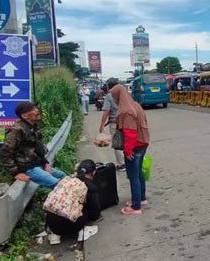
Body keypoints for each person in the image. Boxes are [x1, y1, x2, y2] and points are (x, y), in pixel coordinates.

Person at [0, 102, 66, 189]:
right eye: (33, 109)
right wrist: (16, 173)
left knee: (63, 177)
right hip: (28, 168)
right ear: (24, 116)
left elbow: (37, 148)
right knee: (59, 186)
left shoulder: (33, 127)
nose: (37, 110)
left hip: (37, 164)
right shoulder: (17, 130)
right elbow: (5, 150)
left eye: (36, 108)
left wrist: (45, 163)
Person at [110, 84, 150, 215]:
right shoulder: (135, 104)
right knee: (138, 172)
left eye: (114, 96)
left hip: (135, 146)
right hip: (143, 142)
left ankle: (136, 207)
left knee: (133, 176)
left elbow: (130, 133)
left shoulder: (126, 111)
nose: (114, 99)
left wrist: (128, 151)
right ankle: (141, 199)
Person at [47, 159, 101, 245]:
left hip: (53, 226)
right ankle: (81, 231)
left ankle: (55, 236)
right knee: (82, 208)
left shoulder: (66, 180)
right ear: (93, 173)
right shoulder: (90, 187)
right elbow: (94, 213)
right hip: (72, 226)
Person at [99, 78, 125, 171]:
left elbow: (106, 111)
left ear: (109, 86)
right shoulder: (124, 94)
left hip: (115, 123)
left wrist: (102, 125)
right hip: (126, 121)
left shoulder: (109, 96)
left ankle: (122, 165)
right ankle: (129, 161)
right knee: (126, 141)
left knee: (117, 143)